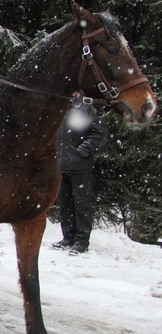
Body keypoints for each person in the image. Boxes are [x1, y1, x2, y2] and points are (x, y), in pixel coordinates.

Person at [52, 97, 109, 255]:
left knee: (82, 205)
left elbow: (100, 134)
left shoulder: (89, 108)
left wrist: (82, 151)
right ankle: (68, 236)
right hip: (60, 165)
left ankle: (82, 241)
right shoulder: (61, 104)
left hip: (80, 166)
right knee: (65, 203)